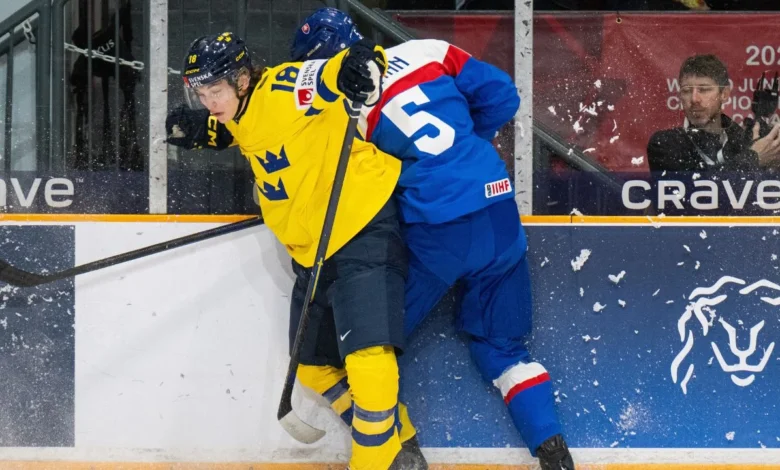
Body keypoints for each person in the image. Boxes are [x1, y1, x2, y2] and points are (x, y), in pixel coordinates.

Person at [289, 8, 574, 470]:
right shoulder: (428, 51)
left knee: (362, 343)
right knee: (503, 348)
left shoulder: (343, 111)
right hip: (498, 211)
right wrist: (466, 148)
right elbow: (503, 96)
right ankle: (552, 448)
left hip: (439, 233)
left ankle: (400, 449)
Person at [164, 32, 426, 470]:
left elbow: (330, 74)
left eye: (216, 92)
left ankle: (374, 460)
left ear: (242, 79)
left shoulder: (284, 89)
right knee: (312, 367)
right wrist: (205, 131)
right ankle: (401, 443)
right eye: (202, 94)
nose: (209, 102)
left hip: (360, 226)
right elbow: (249, 131)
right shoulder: (238, 111)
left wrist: (358, 63)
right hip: (313, 251)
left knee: (367, 353)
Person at [648, 54, 780, 174]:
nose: (694, 99)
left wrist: (772, 165)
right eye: (687, 91)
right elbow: (695, 186)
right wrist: (754, 158)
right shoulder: (664, 144)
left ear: (724, 94)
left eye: (704, 90)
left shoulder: (744, 140)